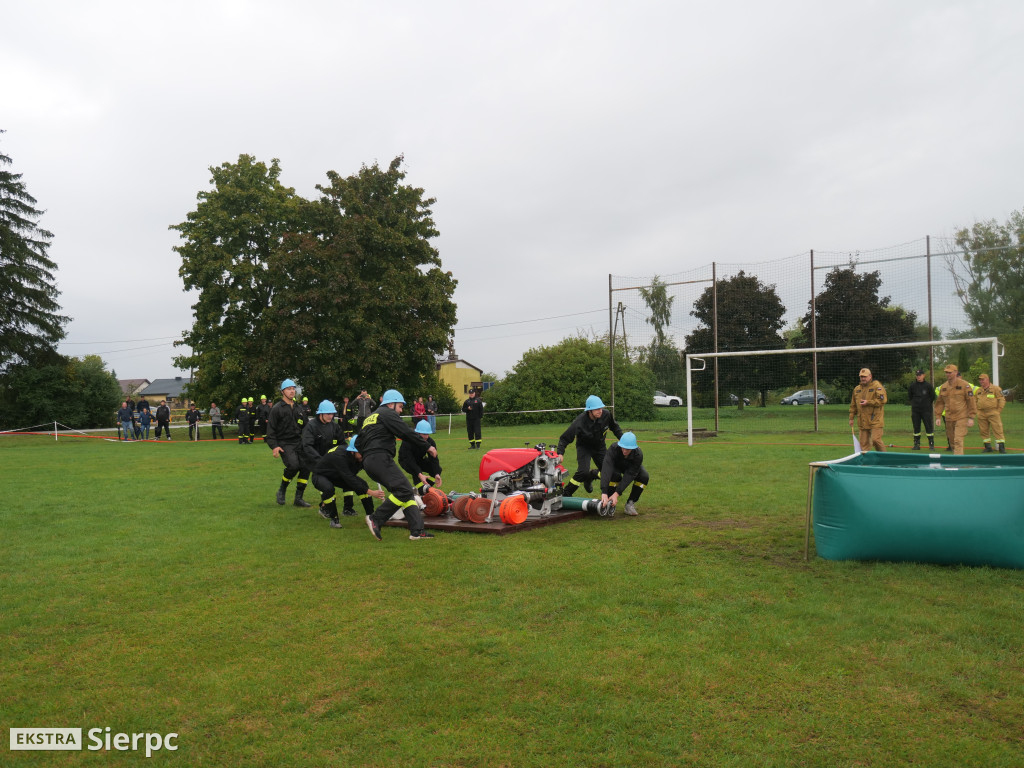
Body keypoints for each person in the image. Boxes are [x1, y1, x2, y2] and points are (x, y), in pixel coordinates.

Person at [361, 389, 434, 541]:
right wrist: (427, 446)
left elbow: (358, 441)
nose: (400, 411)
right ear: (391, 404)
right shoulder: (387, 413)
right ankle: (376, 518)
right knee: (405, 489)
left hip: (369, 461)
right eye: (400, 407)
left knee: (405, 491)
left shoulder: (369, 417)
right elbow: (405, 432)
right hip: (380, 458)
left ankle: (417, 531)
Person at [556, 395, 624, 496]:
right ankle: (566, 494)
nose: (600, 411)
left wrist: (625, 443)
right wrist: (560, 453)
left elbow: (616, 428)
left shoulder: (606, 415)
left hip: (600, 447)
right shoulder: (580, 421)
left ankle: (594, 479)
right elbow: (565, 438)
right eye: (596, 409)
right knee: (583, 472)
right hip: (584, 448)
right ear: (589, 410)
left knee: (613, 473)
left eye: (601, 408)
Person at [312, 437, 386, 527]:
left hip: (337, 475)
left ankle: (371, 517)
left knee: (363, 485)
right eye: (361, 453)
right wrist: (372, 492)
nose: (364, 455)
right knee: (328, 488)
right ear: (352, 451)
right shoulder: (340, 457)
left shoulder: (359, 456)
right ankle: (334, 519)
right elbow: (349, 479)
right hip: (320, 475)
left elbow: (371, 469)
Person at [266, 379, 313, 507]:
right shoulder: (276, 409)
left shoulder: (299, 408)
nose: (292, 391)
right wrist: (274, 446)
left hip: (299, 442)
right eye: (289, 389)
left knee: (306, 467)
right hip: (284, 443)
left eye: (293, 388)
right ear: (283, 392)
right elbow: (270, 431)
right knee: (293, 466)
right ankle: (282, 490)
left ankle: (299, 498)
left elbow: (307, 427)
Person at [600, 432, 648, 516]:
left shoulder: (638, 455)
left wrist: (617, 493)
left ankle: (630, 504)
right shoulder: (613, 448)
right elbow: (606, 469)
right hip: (616, 467)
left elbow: (629, 475)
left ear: (633, 448)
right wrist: (604, 492)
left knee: (644, 477)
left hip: (630, 468)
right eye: (623, 448)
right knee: (615, 476)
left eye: (628, 449)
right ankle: (608, 501)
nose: (625, 451)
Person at [934, 364, 976, 456]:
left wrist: (971, 417)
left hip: (961, 417)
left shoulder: (965, 385)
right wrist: (938, 417)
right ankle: (955, 460)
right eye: (946, 372)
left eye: (950, 372)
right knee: (952, 441)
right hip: (949, 418)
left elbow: (971, 401)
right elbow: (940, 403)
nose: (948, 374)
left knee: (958, 440)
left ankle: (959, 463)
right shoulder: (944, 387)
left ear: (956, 372)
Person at [301, 400, 345, 483]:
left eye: (332, 414)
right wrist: (320, 460)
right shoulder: (311, 426)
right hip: (316, 461)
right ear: (320, 413)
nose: (331, 416)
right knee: (326, 486)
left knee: (347, 479)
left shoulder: (335, 426)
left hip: (331, 461)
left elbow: (342, 444)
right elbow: (307, 446)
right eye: (328, 414)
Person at [399, 420, 443, 495]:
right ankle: (420, 492)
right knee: (417, 476)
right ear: (417, 433)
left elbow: (434, 459)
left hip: (419, 459)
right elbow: (409, 460)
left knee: (437, 469)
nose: (426, 436)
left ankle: (426, 489)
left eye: (428, 434)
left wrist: (436, 474)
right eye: (424, 434)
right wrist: (419, 474)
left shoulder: (430, 442)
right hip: (406, 461)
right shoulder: (408, 441)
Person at [848, 367, 887, 452]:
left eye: (865, 376)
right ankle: (866, 462)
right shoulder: (857, 389)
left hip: (875, 419)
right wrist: (851, 418)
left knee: (876, 440)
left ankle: (884, 458)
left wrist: (868, 402)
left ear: (870, 376)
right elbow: (853, 405)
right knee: (863, 444)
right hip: (862, 420)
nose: (863, 378)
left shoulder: (877, 386)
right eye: (861, 376)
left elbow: (882, 400)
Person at [975, 373, 1006, 453]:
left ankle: (1001, 448)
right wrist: (976, 411)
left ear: (987, 380)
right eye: (980, 380)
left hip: (993, 412)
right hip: (981, 413)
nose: (981, 381)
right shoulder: (978, 390)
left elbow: (1001, 399)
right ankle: (987, 447)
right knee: (983, 430)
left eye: (983, 379)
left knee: (997, 429)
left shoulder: (996, 389)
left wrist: (998, 410)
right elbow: (975, 401)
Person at [907, 368, 935, 451]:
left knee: (928, 426)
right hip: (916, 410)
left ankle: (931, 443)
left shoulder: (928, 386)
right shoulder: (912, 386)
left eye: (920, 375)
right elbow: (910, 396)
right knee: (916, 427)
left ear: (923, 375)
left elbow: (932, 396)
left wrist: (926, 404)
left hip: (926, 410)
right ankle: (916, 444)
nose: (918, 377)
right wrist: (915, 403)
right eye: (917, 375)